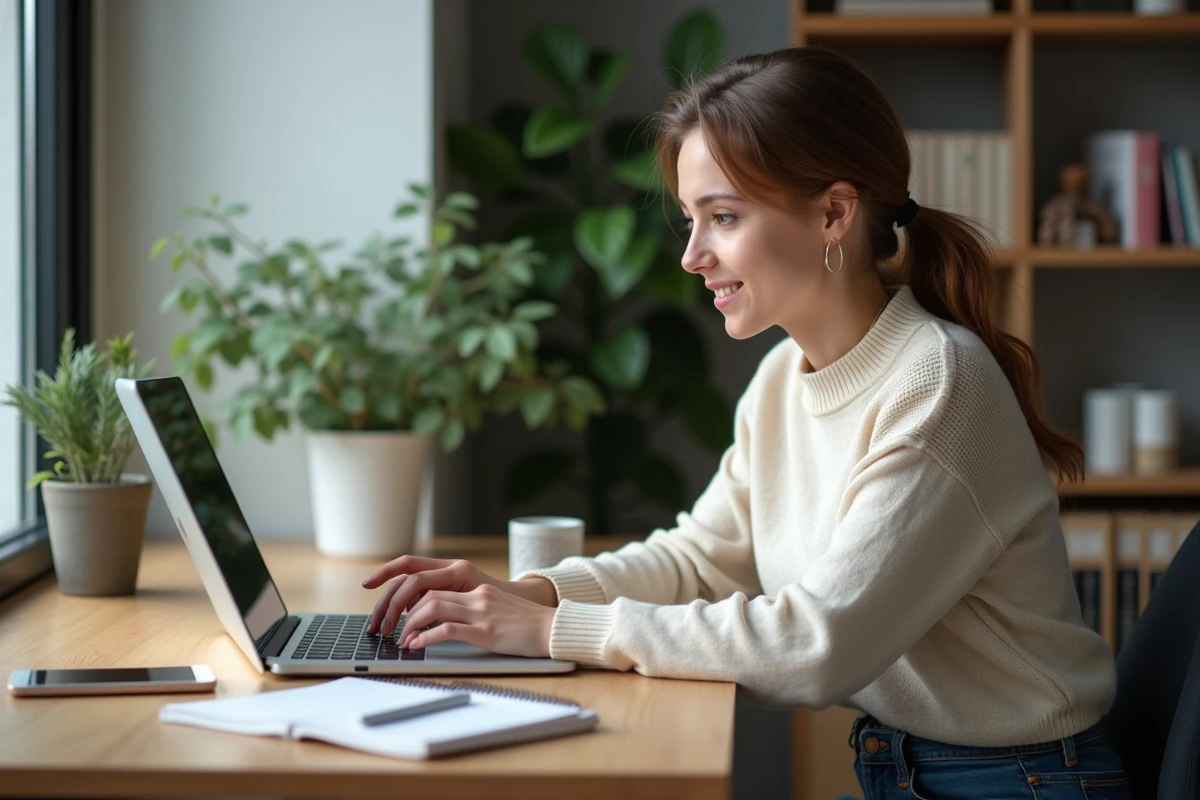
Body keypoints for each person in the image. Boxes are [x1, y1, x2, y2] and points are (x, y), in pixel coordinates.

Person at [361, 46, 1129, 799]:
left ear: (834, 213)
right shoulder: (782, 380)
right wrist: (531, 596)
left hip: (1023, 782)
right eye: (692, 220)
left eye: (722, 217)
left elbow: (813, 646)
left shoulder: (937, 384)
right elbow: (704, 559)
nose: (693, 255)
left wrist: (551, 635)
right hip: (913, 769)